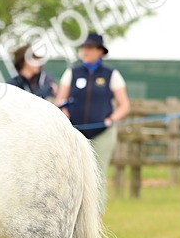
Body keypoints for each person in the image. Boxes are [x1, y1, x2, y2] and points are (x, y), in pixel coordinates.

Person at [55, 32, 130, 209]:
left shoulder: (111, 74)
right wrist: (63, 111)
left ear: (99, 51)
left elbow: (124, 105)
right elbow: (60, 100)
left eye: (89, 47)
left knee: (97, 175)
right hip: (74, 132)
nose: (85, 51)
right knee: (71, 174)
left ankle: (95, 217)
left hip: (102, 133)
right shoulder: (72, 73)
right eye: (84, 47)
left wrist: (112, 119)